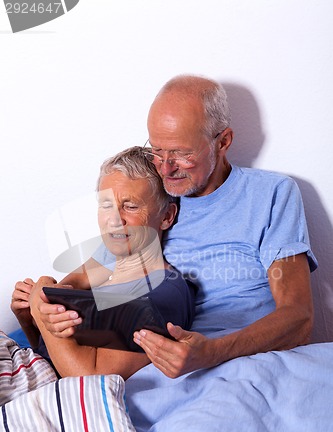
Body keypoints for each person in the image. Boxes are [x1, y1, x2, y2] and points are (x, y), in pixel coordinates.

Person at [23, 75, 317, 380]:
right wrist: (42, 307)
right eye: (157, 150)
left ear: (223, 141)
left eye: (181, 153)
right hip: (156, 362)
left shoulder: (271, 194)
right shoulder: (150, 198)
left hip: (242, 360)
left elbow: (299, 317)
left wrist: (212, 352)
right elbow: (75, 284)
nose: (165, 167)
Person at [11, 147, 195, 380]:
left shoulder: (163, 295)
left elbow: (89, 377)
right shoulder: (106, 267)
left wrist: (39, 300)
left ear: (167, 216)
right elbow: (49, 350)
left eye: (130, 206)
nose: (114, 220)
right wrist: (28, 316)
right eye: (106, 205)